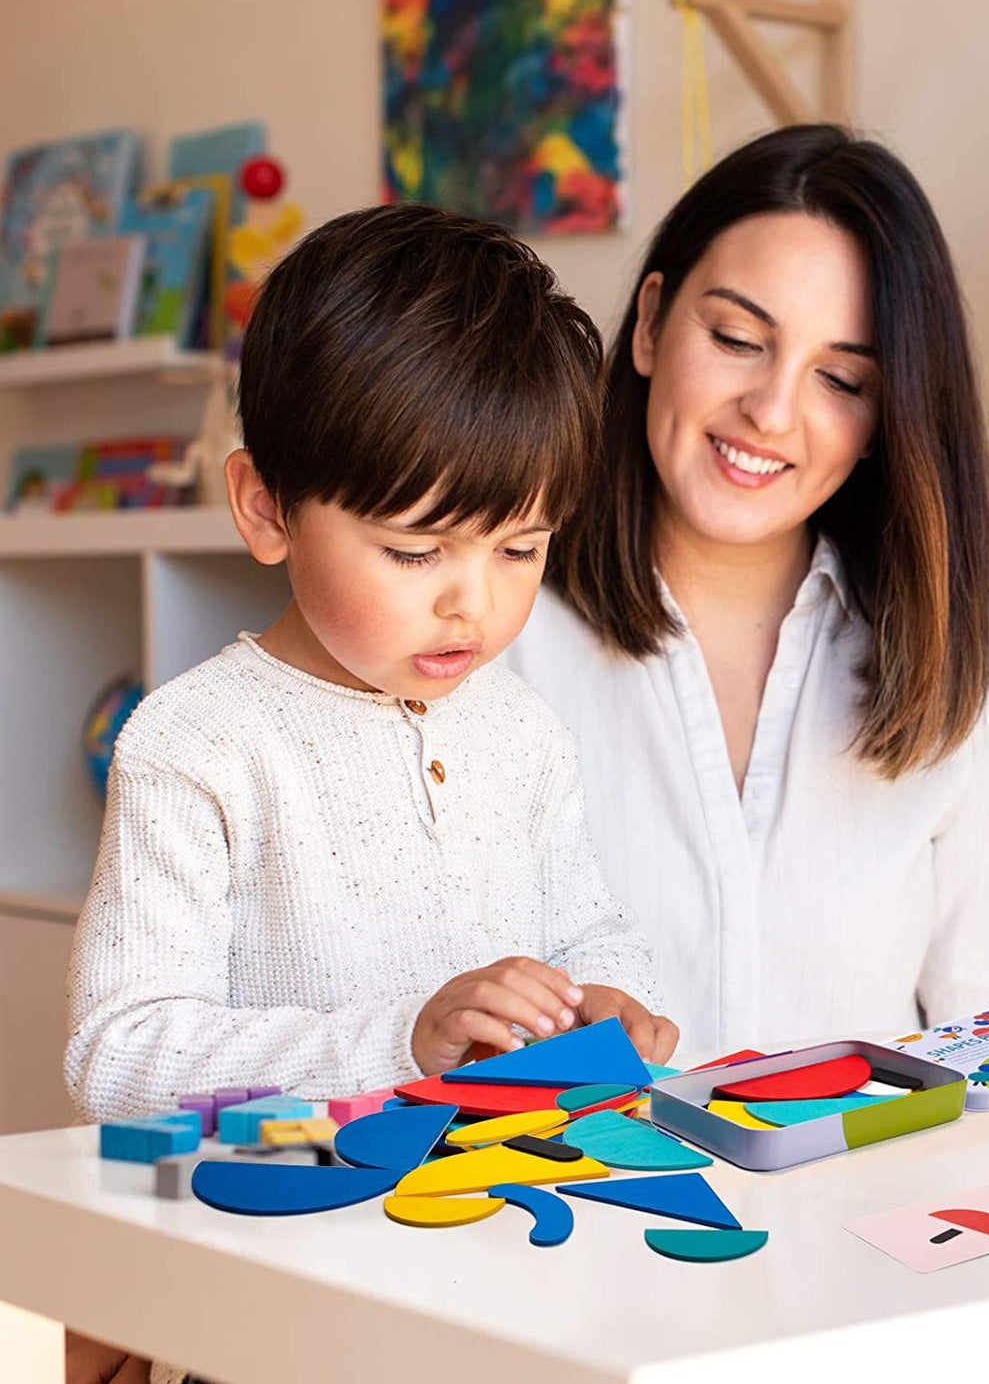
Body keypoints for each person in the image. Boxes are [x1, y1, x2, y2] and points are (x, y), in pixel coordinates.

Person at [65, 204, 678, 1131]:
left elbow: (590, 931)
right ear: (267, 510)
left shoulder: (521, 730)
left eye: (520, 550)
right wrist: (402, 1042)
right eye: (414, 552)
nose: (472, 604)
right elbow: (117, 1053)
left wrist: (605, 998)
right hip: (287, 1230)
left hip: (501, 1212)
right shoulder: (196, 745)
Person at [506, 125, 989, 1052]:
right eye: (737, 338)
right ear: (651, 323)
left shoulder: (969, 667)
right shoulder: (491, 629)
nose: (771, 412)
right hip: (553, 1193)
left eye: (840, 378)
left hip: (871, 1196)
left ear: (884, 417)